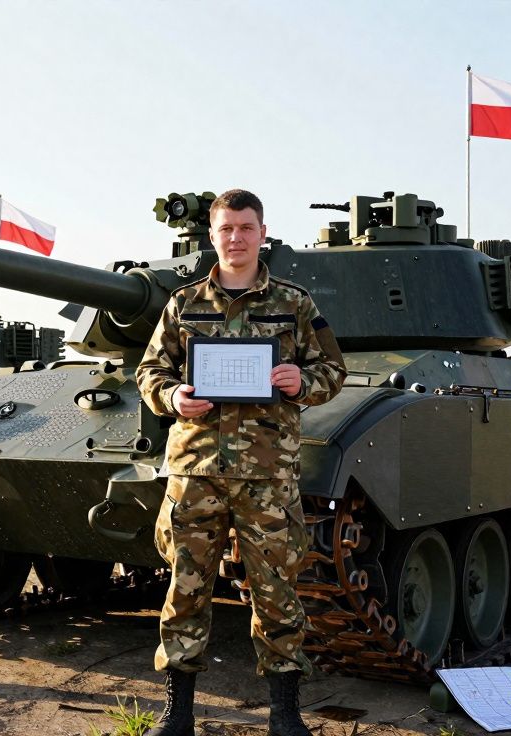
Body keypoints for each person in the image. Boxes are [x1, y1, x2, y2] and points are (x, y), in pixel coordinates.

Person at [136, 189, 347, 736]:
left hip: (267, 474)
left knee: (276, 592)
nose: (236, 238)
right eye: (226, 228)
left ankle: (285, 713)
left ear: (262, 232)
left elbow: (332, 370)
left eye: (246, 228)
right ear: (212, 235)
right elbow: (149, 372)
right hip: (196, 471)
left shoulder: (295, 303)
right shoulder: (183, 304)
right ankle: (177, 712)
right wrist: (172, 398)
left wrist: (303, 382)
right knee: (185, 590)